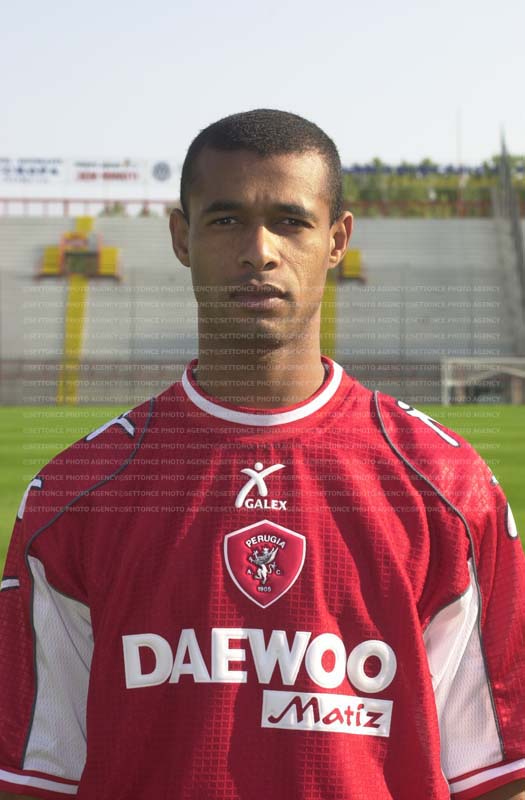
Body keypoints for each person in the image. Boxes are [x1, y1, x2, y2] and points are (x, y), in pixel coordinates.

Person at [0, 109, 524, 800]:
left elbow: (493, 774)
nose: (259, 251)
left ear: (336, 240)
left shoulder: (447, 484)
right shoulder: (77, 494)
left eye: (290, 221)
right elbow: (35, 778)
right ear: (182, 237)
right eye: (226, 220)